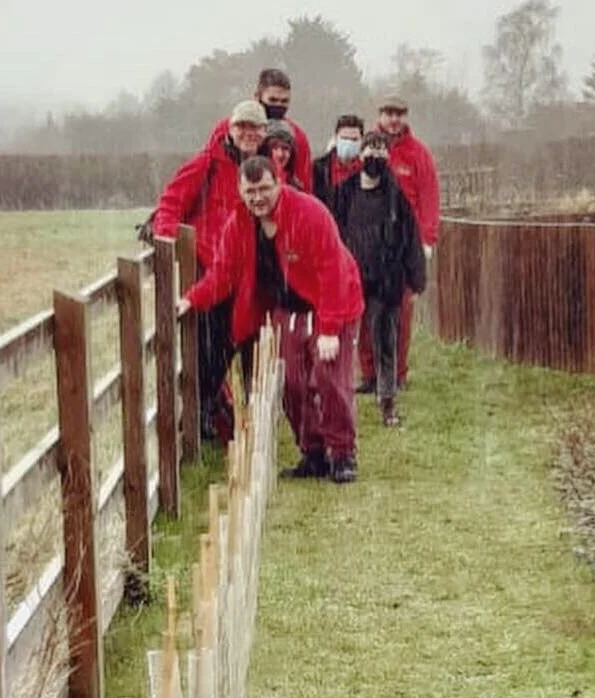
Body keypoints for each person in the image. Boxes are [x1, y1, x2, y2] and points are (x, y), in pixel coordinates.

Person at [180, 155, 365, 483]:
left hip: (332, 301)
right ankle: (312, 451)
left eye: (264, 188)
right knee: (291, 381)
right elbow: (223, 273)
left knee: (328, 376)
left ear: (279, 183)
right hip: (288, 306)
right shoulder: (239, 223)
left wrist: (330, 329)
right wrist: (191, 299)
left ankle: (342, 452)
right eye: (250, 191)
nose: (258, 198)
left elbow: (332, 271)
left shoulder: (309, 214)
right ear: (240, 190)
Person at [152, 100, 268, 443]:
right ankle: (201, 418)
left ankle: (246, 421)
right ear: (230, 129)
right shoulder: (207, 164)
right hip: (209, 271)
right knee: (209, 352)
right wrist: (171, 243)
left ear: (263, 133)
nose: (248, 133)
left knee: (246, 345)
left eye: (255, 128)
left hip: (250, 273)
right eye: (241, 127)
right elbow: (171, 203)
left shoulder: (264, 168)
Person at [335, 131, 427, 428]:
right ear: (360, 156)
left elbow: (410, 238)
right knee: (340, 343)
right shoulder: (344, 193)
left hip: (385, 283)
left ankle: (387, 403)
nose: (375, 156)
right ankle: (338, 403)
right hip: (349, 280)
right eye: (369, 150)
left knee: (385, 343)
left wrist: (415, 280)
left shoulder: (395, 197)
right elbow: (331, 233)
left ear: (388, 157)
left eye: (381, 151)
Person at [357, 93, 441, 394]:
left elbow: (429, 198)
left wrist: (426, 240)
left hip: (402, 248)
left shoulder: (418, 154)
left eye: (399, 114)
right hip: (368, 245)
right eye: (388, 113)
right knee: (364, 312)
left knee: (398, 313)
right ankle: (369, 374)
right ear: (379, 115)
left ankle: (396, 373)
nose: (394, 120)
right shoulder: (367, 150)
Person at [204, 68, 313, 193]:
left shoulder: (297, 136)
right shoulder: (227, 128)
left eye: (284, 101)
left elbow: (304, 183)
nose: (278, 106)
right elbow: (208, 166)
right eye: (272, 100)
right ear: (257, 97)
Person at [312, 114, 364, 222]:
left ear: (361, 141)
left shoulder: (366, 171)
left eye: (354, 139)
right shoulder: (318, 168)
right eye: (344, 138)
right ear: (335, 138)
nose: (349, 143)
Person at [261, 121, 304, 188]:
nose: (280, 154)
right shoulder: (253, 182)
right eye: (275, 148)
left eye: (285, 148)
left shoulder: (296, 187)